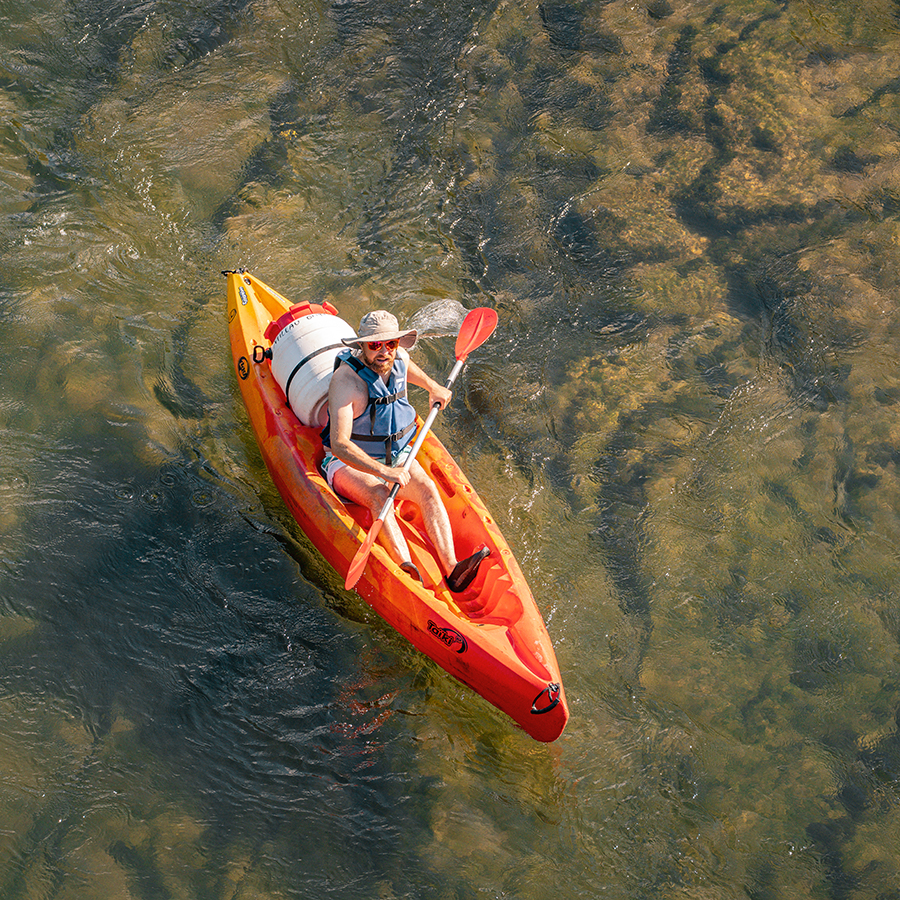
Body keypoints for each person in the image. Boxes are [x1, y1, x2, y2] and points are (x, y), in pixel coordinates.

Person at [320, 309, 489, 591]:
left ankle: (452, 568)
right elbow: (340, 444)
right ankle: (405, 571)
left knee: (428, 490)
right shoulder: (346, 382)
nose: (384, 352)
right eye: (375, 345)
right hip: (347, 463)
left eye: (391, 344)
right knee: (379, 494)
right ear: (362, 346)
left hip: (395, 453)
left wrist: (433, 386)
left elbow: (406, 368)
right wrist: (385, 472)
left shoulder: (397, 359)